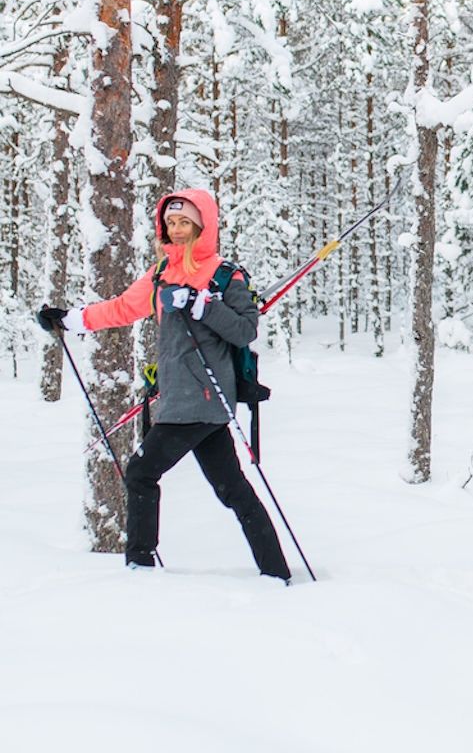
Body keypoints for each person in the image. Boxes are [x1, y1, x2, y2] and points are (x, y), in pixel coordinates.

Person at [36, 188, 291, 580]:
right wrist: (71, 319)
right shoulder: (161, 274)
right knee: (233, 491)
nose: (176, 230)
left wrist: (201, 304)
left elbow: (244, 330)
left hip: (202, 397)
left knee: (140, 472)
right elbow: (122, 308)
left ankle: (140, 568)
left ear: (202, 226)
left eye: (184, 222)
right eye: (171, 223)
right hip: (183, 399)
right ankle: (276, 572)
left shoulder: (226, 275)